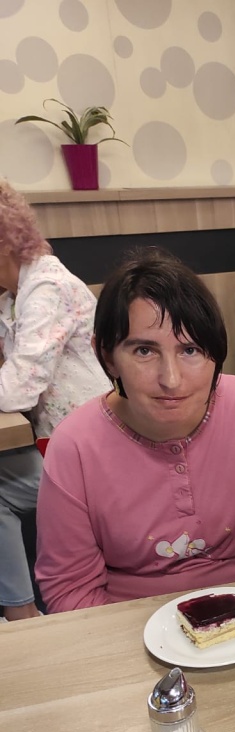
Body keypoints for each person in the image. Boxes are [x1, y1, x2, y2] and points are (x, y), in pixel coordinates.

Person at [35, 248, 235, 626]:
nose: (171, 380)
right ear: (107, 356)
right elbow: (70, 589)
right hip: (133, 628)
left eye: (190, 350)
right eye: (144, 350)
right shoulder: (75, 446)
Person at [0, 179, 108, 621]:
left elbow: (18, 388)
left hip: (99, 453)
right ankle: (20, 607)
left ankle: (21, 614)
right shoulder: (14, 296)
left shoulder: (47, 289)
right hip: (61, 442)